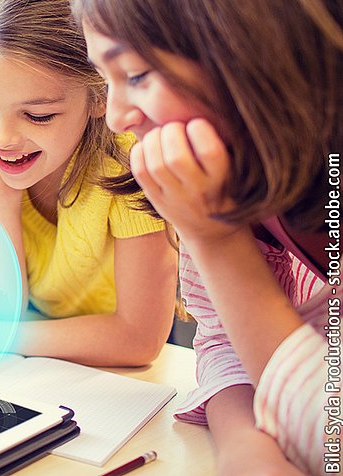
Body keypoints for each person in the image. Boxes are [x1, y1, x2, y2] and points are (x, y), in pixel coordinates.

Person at [75, 0, 342, 473]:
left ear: (255, 53)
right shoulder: (223, 176)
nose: (115, 117)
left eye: (136, 74)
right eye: (105, 78)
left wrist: (215, 240)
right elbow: (223, 341)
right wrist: (245, 444)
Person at [0, 0, 177, 366]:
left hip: (108, 377)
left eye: (38, 115)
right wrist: (3, 195)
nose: (1, 137)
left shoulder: (129, 164)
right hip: (28, 370)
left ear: (101, 96)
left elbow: (139, 338)